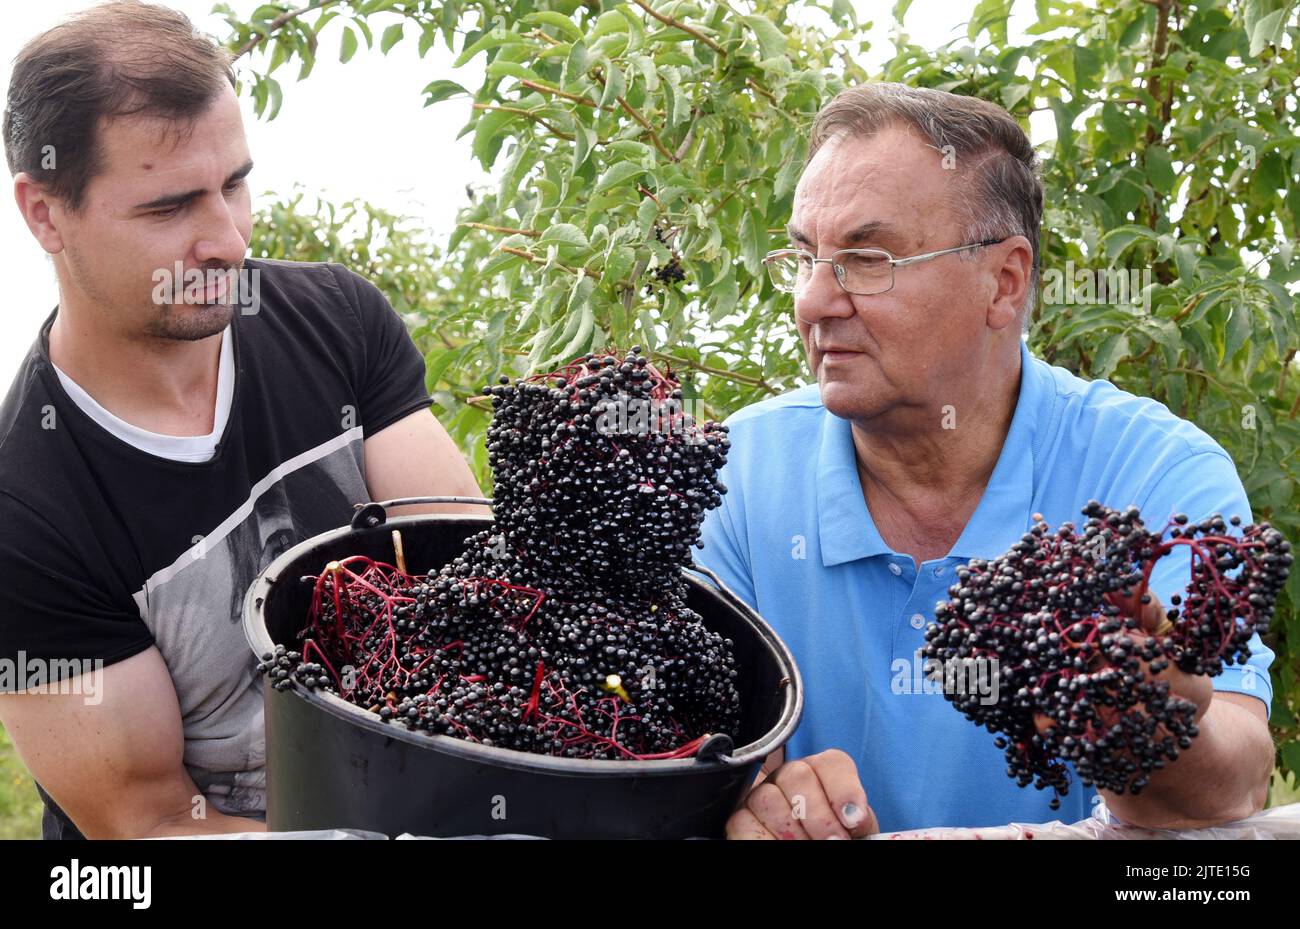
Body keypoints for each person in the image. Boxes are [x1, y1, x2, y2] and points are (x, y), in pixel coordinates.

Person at [694, 83, 1276, 840]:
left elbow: (1234, 787)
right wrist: (760, 795)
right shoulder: (731, 476)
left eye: (866, 259)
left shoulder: (1151, 472)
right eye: (805, 256)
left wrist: (1144, 718)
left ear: (1003, 282)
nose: (813, 301)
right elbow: (684, 742)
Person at [0, 1, 486, 838]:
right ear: (46, 212)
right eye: (168, 208)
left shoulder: (337, 318)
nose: (226, 239)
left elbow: (466, 575)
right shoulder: (25, 512)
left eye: (234, 183)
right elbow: (148, 821)